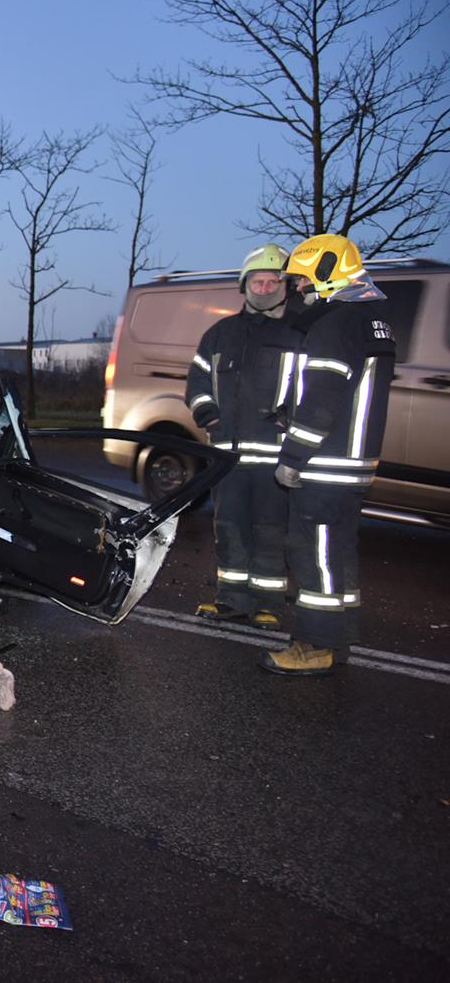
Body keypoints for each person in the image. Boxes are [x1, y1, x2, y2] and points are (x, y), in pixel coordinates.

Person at [261, 233, 396, 676]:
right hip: (353, 464)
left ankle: (314, 645)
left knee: (313, 554)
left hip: (325, 465)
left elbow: (322, 400)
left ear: (327, 273)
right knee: (338, 553)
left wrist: (293, 457)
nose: (298, 288)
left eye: (302, 279)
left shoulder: (334, 323)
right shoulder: (371, 319)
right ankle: (340, 636)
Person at [185, 243, 301, 629]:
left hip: (274, 458)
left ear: (285, 286)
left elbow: (314, 385)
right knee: (229, 527)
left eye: (272, 282)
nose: (264, 288)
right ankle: (231, 598)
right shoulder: (220, 334)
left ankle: (269, 603)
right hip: (228, 457)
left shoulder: (300, 333)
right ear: (244, 285)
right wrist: (208, 414)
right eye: (257, 282)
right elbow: (198, 381)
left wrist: (290, 416)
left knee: (271, 531)